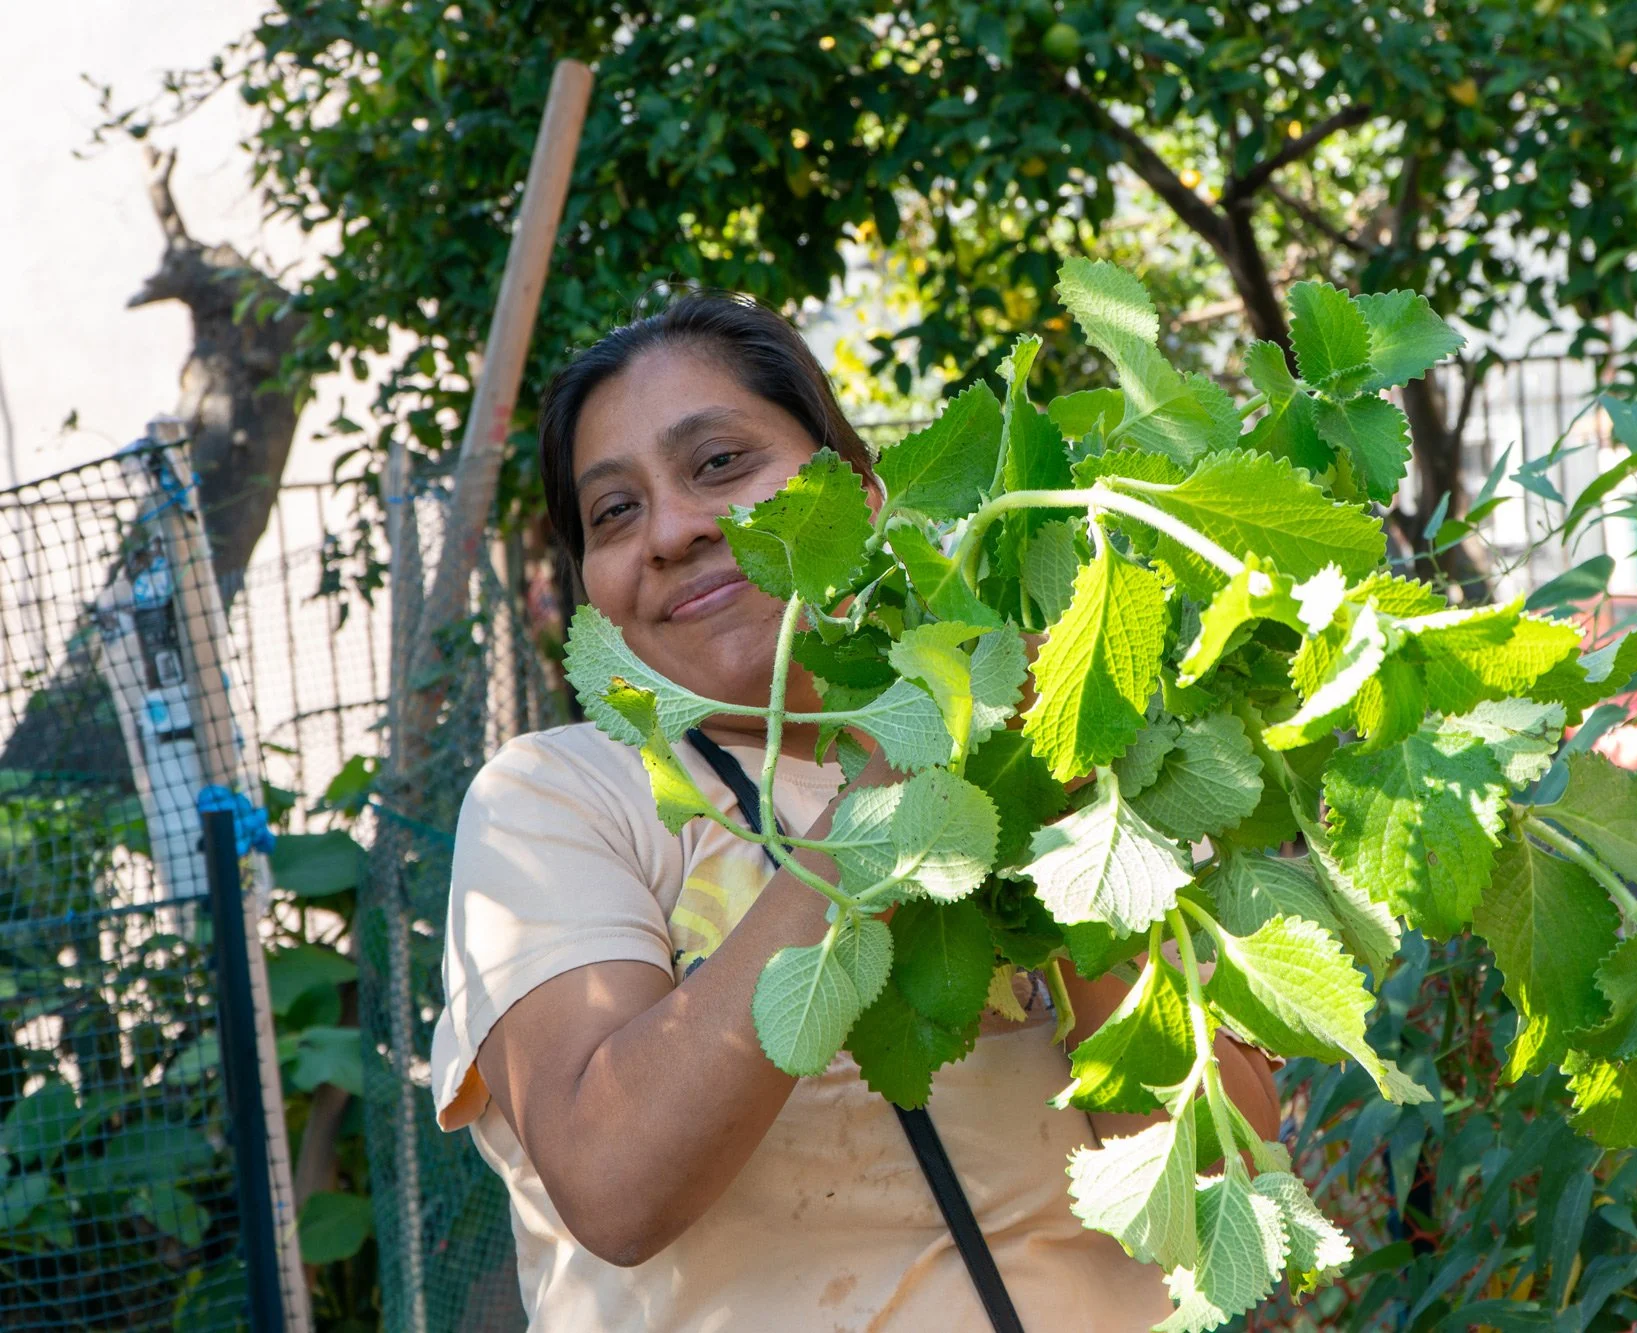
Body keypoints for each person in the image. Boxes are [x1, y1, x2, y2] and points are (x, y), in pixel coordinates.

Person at [430, 292, 1282, 1331]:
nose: (673, 529)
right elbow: (615, 1183)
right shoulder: (559, 798)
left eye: (718, 464)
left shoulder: (1050, 758)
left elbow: (1206, 1172)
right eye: (612, 512)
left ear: (866, 494)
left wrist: (1047, 818)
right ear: (592, 586)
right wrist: (887, 806)